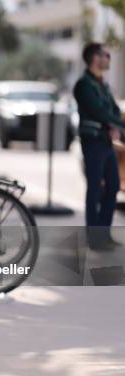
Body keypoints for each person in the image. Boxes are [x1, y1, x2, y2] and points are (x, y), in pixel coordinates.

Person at [73, 42, 125, 250]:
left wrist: (117, 127)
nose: (108, 59)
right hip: (93, 141)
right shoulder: (83, 84)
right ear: (95, 58)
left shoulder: (102, 84)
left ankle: (103, 234)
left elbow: (112, 109)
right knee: (94, 188)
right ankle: (94, 238)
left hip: (106, 142)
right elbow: (99, 112)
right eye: (106, 55)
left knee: (112, 186)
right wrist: (119, 127)